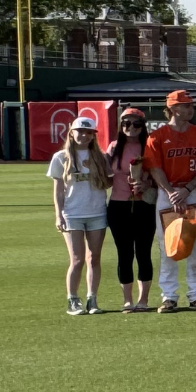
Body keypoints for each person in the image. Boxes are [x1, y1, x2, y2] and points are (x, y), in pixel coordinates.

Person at [145, 89, 196, 312]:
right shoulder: (156, 137)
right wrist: (171, 192)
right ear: (173, 108)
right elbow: (155, 168)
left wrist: (187, 189)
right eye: (186, 106)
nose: (190, 109)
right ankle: (169, 296)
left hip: (193, 192)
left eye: (190, 105)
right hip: (167, 195)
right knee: (168, 246)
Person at [49, 116, 111, 315]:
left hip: (97, 212)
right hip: (73, 214)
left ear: (93, 135)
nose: (83, 135)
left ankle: (92, 299)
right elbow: (58, 190)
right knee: (76, 259)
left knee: (94, 258)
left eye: (88, 132)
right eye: (80, 131)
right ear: (71, 132)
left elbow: (107, 183)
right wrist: (59, 215)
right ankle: (72, 300)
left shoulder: (101, 157)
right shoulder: (61, 157)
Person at [105, 108, 157, 312]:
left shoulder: (150, 146)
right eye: (126, 123)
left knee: (144, 252)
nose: (131, 128)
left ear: (143, 126)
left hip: (144, 205)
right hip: (119, 205)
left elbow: (158, 173)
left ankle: (143, 300)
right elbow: (106, 177)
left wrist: (148, 184)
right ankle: (127, 300)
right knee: (124, 254)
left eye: (136, 124)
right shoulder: (114, 147)